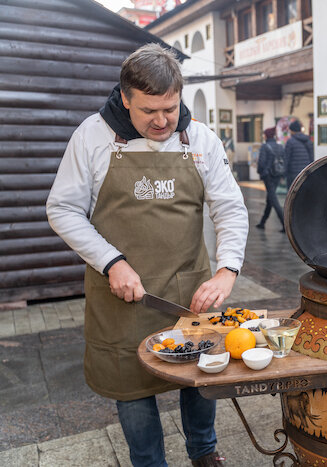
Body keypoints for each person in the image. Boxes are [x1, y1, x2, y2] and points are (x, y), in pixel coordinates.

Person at [46, 44, 248, 467]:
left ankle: (204, 453)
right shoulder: (92, 137)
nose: (161, 121)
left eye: (170, 109)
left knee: (200, 376)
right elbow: (61, 208)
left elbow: (229, 208)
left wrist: (227, 270)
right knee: (131, 386)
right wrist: (110, 262)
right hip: (121, 294)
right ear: (125, 98)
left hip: (188, 288)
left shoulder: (201, 140)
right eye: (148, 111)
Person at [255, 127, 286, 232]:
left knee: (273, 199)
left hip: (268, 176)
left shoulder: (265, 146)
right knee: (270, 199)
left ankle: (285, 224)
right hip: (277, 175)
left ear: (266, 135)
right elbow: (284, 160)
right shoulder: (280, 146)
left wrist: (260, 172)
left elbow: (261, 163)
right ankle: (262, 222)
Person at [284, 119, 314, 189]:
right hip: (305, 173)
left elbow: (286, 159)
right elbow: (311, 159)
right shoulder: (308, 141)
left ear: (292, 130)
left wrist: (284, 173)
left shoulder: (290, 142)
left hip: (293, 175)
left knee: (292, 195)